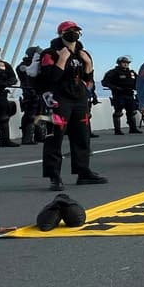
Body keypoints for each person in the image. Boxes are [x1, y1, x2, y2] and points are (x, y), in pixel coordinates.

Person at [35, 22, 107, 187]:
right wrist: (62, 60)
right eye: (69, 31)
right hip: (59, 100)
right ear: (61, 33)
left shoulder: (82, 53)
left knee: (82, 136)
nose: (73, 33)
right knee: (55, 137)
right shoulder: (50, 53)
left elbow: (88, 79)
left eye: (76, 30)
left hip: (79, 99)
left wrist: (88, 65)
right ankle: (54, 176)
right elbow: (50, 78)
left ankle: (83, 172)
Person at [101, 56, 142, 135]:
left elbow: (138, 82)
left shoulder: (132, 73)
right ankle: (117, 130)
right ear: (119, 63)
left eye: (127, 63)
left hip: (130, 94)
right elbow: (104, 82)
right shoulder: (113, 72)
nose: (126, 64)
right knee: (118, 113)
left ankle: (133, 128)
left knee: (132, 112)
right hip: (119, 95)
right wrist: (115, 88)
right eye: (124, 63)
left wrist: (138, 88)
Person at [16, 46, 45, 145]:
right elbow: (25, 76)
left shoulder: (41, 64)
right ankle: (27, 138)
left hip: (40, 92)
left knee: (40, 114)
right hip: (29, 93)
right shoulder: (23, 65)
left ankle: (40, 136)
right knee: (30, 115)